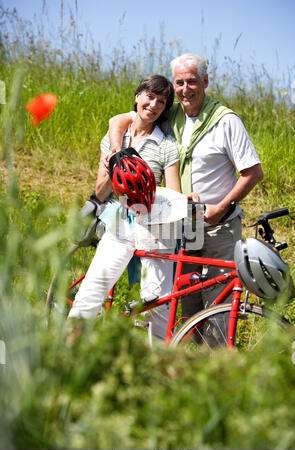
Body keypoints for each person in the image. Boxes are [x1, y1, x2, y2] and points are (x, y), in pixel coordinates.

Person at [108, 53, 264, 317]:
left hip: (219, 225)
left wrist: (221, 209)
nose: (184, 89)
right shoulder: (170, 113)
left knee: (219, 303)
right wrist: (114, 149)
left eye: (191, 82)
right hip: (184, 223)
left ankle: (219, 357)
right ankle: (190, 355)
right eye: (179, 82)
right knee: (186, 301)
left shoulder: (226, 121)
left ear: (205, 81)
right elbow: (123, 119)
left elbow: (253, 173)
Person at [68, 75, 181, 339]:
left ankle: (157, 367)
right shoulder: (113, 137)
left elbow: (174, 193)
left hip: (154, 224)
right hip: (119, 223)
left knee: (157, 304)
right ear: (138, 96)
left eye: (161, 102)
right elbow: (100, 191)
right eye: (149, 97)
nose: (153, 105)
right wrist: (115, 168)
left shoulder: (167, 146)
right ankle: (66, 356)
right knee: (90, 294)